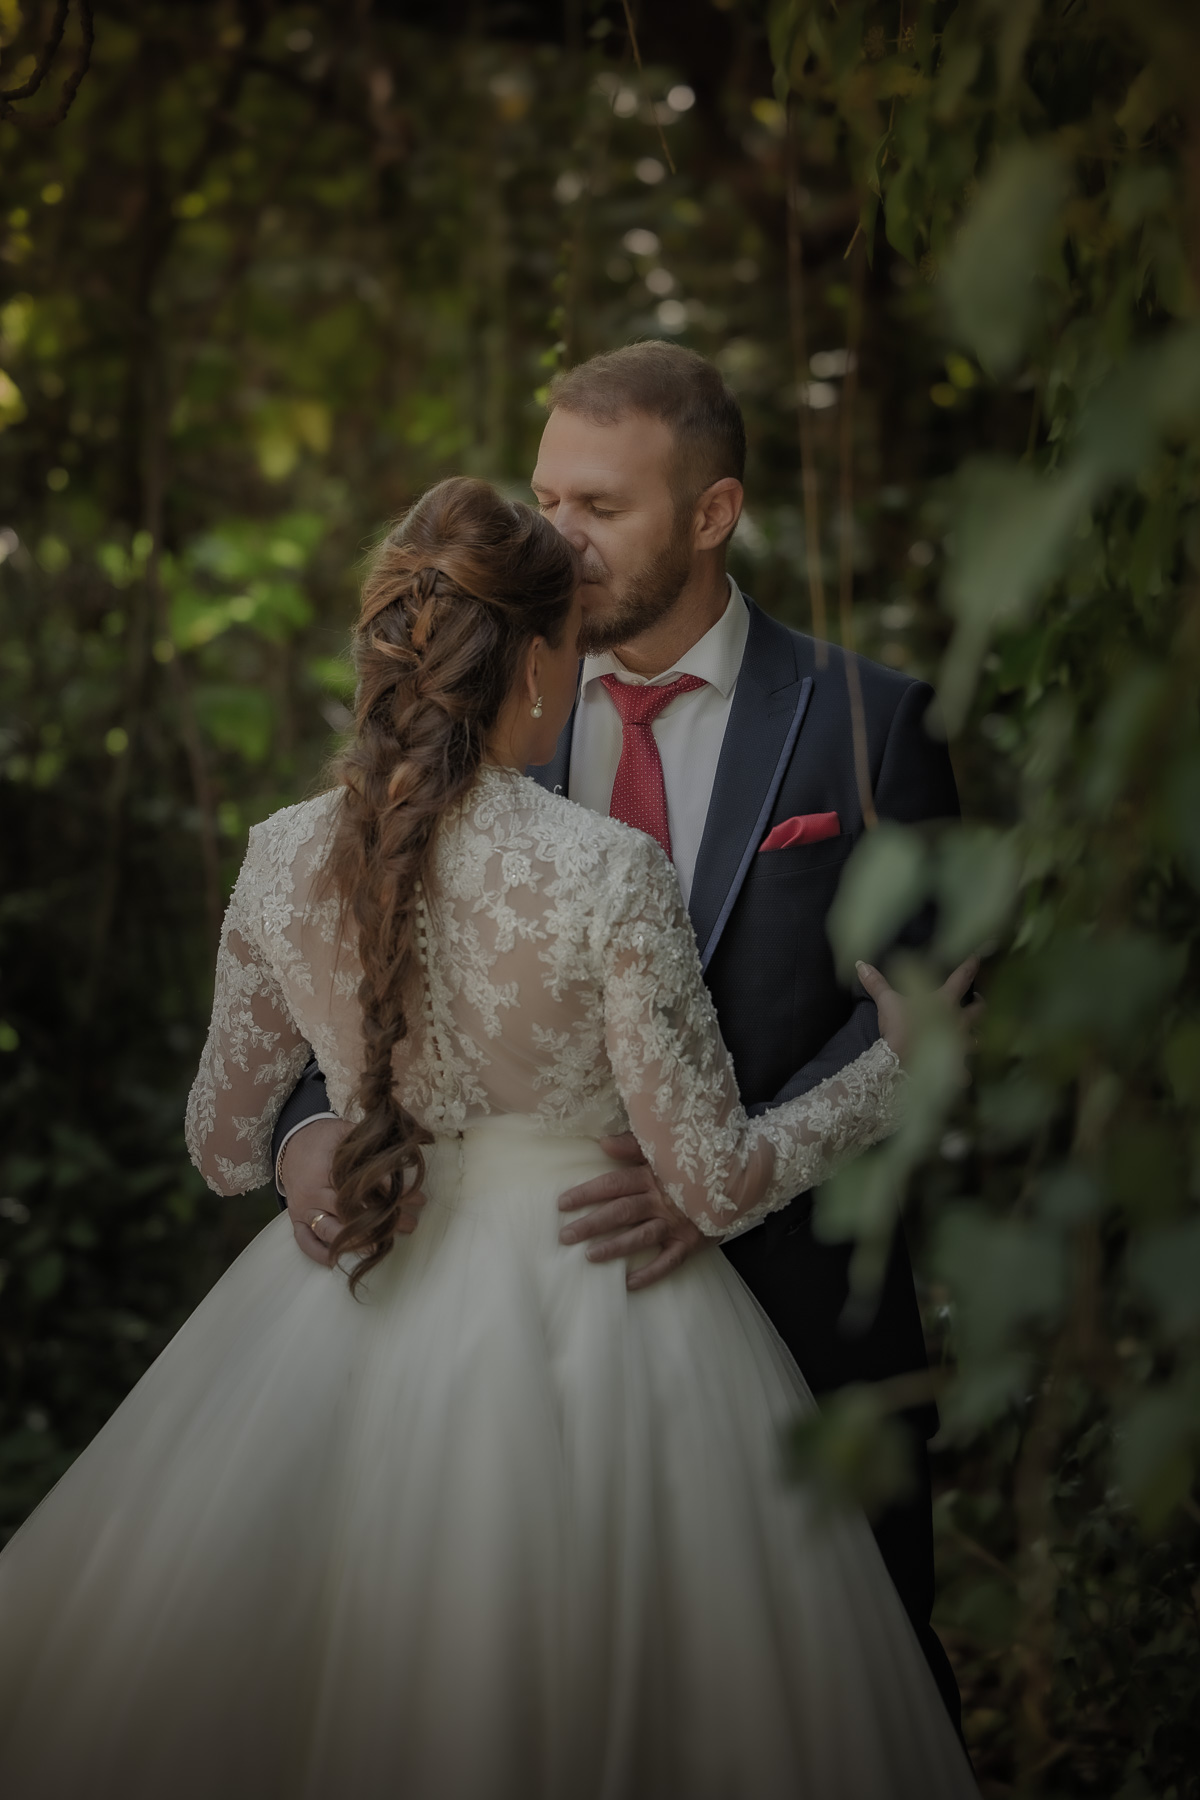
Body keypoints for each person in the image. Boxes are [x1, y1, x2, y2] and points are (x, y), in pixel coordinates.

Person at [0, 477, 978, 1799]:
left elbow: (226, 1144)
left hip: (346, 1308)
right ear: (534, 662)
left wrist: (312, 1156)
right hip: (606, 1318)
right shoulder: (605, 872)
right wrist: (897, 1069)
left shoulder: (281, 857)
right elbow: (714, 1174)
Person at [275, 341, 965, 1724]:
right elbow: (370, 933)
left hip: (799, 1328)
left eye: (601, 507)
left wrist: (727, 1175)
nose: (555, 537)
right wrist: (305, 1126)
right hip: (491, 1361)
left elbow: (923, 1014)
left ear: (713, 514)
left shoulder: (870, 722)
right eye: (545, 496)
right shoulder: (481, 699)